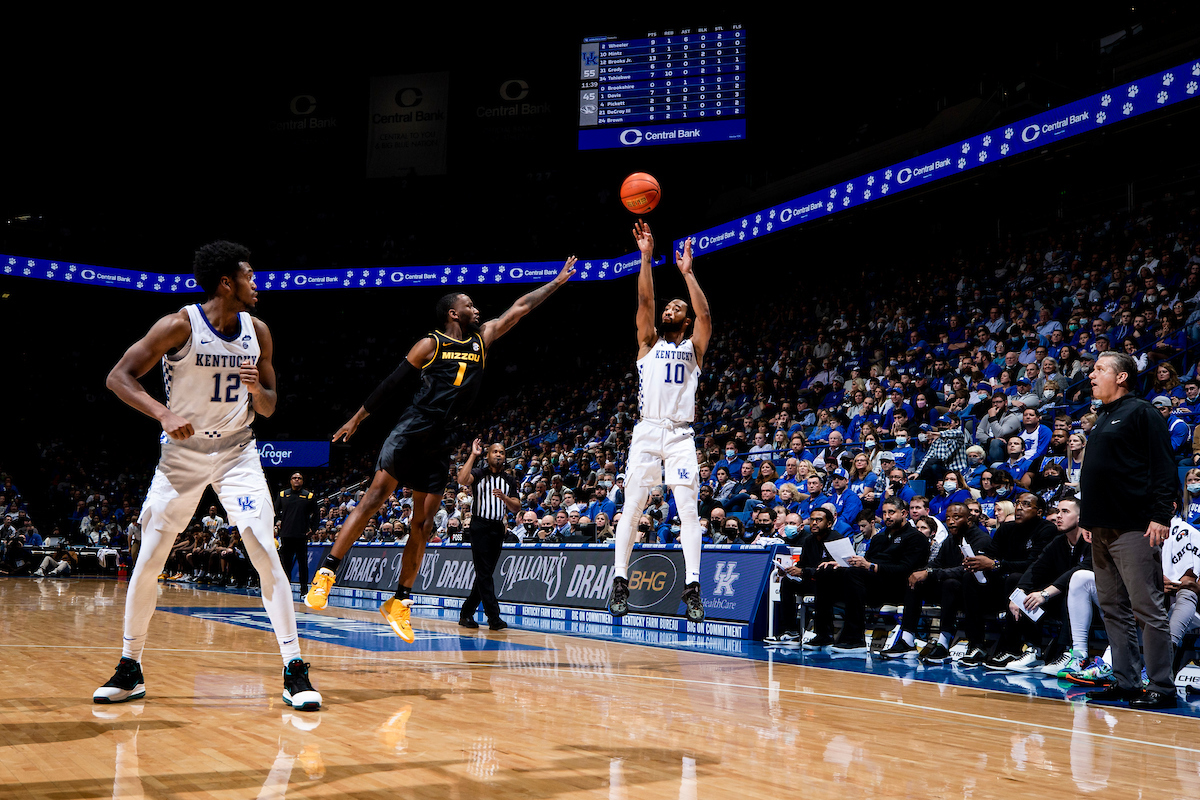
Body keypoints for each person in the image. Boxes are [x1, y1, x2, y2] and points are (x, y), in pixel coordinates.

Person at [94, 241, 320, 711]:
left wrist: (260, 390)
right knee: (150, 559)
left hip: (237, 451)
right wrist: (161, 413)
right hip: (183, 453)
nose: (257, 283)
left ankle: (294, 670)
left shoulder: (259, 331)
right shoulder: (180, 324)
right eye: (250, 276)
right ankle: (130, 666)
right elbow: (119, 376)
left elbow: (271, 406)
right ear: (225, 282)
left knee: (264, 551)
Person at [304, 256, 577, 642]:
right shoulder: (431, 343)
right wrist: (356, 419)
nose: (476, 308)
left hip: (444, 439)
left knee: (424, 523)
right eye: (469, 304)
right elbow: (391, 384)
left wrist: (557, 283)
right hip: (413, 429)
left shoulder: (484, 338)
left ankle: (399, 602)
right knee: (373, 499)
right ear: (453, 312)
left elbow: (520, 309)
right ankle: (326, 573)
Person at [608, 221, 711, 624]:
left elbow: (703, 312)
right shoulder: (648, 343)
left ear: (684, 322)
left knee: (687, 507)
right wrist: (646, 258)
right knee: (632, 505)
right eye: (669, 307)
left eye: (677, 309)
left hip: (681, 434)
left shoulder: (694, 348)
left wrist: (688, 274)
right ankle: (620, 581)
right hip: (648, 431)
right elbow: (646, 303)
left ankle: (693, 586)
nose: (671, 309)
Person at [1079, 351, 1178, 709]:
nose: (1091, 375)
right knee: (1113, 609)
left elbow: (1164, 466)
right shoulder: (1103, 416)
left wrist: (1160, 516)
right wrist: (1088, 520)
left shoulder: (1142, 412)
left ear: (1121, 377)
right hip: (1100, 528)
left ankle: (1163, 688)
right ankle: (1126, 681)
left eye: (1099, 369)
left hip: (1135, 525)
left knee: (1147, 609)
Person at [456, 439, 520, 630]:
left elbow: (516, 507)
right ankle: (493, 617)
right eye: (495, 452)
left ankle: (466, 613)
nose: (498, 454)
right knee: (484, 573)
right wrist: (473, 455)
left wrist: (505, 498)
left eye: (501, 452)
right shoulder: (479, 473)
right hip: (479, 526)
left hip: (497, 528)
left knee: (485, 574)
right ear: (488, 455)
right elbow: (461, 479)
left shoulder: (509, 480)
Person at [275, 472, 318, 591]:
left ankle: (304, 590)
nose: (297, 480)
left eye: (299, 478)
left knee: (303, 564)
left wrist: (313, 529)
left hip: (301, 535)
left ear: (303, 481)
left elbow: (316, 514)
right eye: (294, 478)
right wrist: (277, 524)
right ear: (290, 481)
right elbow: (274, 512)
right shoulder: (283, 494)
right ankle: (285, 589)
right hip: (286, 534)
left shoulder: (309, 496)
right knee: (285, 564)